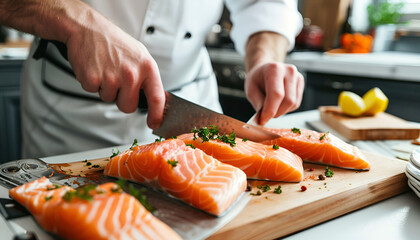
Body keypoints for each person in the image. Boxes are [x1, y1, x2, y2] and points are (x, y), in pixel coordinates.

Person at [0, 0, 304, 158]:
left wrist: (265, 57)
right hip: (70, 112)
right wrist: (77, 21)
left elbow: (265, 5)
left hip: (190, 98)